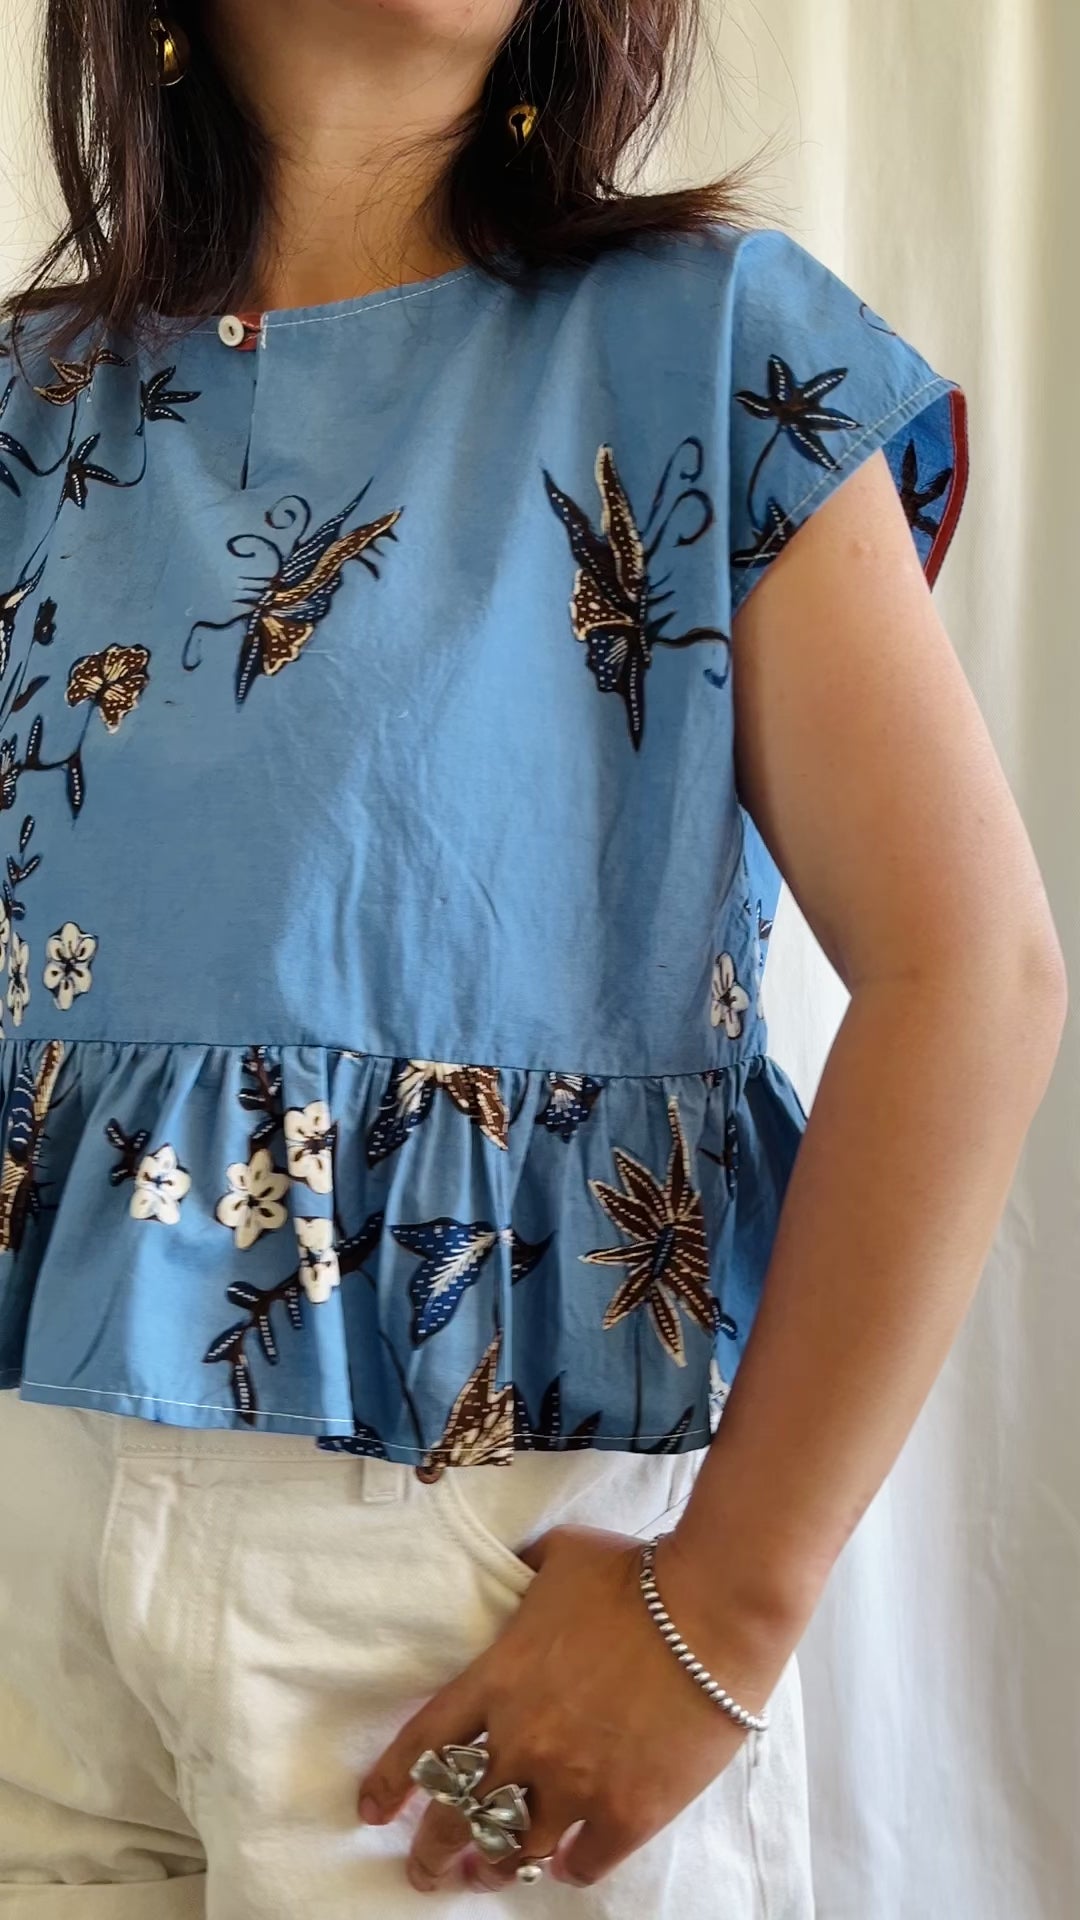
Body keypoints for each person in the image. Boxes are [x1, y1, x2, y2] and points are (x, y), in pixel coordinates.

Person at [0, 0, 1066, 1913]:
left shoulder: (704, 345)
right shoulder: (29, 406)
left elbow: (969, 974)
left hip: (467, 1561)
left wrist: (724, 1614)